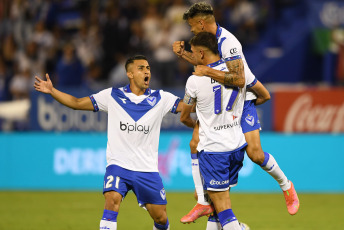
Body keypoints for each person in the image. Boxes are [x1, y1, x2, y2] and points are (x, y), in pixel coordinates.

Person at [173, 2, 299, 223]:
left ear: (201, 23)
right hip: (223, 99)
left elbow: (239, 79)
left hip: (244, 98)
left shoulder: (228, 42)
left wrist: (207, 72)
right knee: (195, 143)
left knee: (256, 154)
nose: (192, 30)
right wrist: (185, 54)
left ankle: (286, 186)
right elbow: (206, 62)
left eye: (193, 26)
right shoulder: (211, 44)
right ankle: (204, 202)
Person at [34, 55, 183, 230]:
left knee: (160, 216)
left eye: (148, 68)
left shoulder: (161, 98)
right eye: (141, 68)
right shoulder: (112, 95)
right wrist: (53, 91)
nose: (147, 71)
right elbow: (76, 103)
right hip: (118, 165)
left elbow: (187, 107)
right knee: (112, 201)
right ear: (130, 74)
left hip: (146, 168)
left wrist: (207, 95)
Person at [180, 31, 251, 230]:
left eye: (193, 53)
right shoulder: (236, 72)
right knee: (216, 204)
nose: (192, 56)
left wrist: (199, 125)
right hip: (237, 146)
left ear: (202, 54)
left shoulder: (194, 81)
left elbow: (184, 116)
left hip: (214, 150)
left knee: (223, 208)